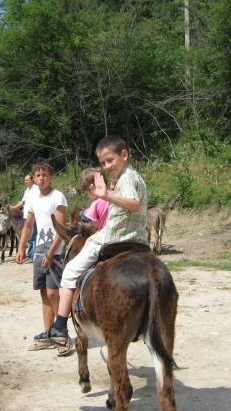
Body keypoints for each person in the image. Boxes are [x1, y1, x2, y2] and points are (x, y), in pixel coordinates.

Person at [46, 136, 148, 344]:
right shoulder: (130, 177)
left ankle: (60, 325)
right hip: (139, 240)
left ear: (124, 155)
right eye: (103, 163)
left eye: (110, 160)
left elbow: (134, 204)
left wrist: (106, 196)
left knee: (70, 271)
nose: (107, 166)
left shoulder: (127, 178)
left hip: (112, 239)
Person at [15, 163, 67, 350]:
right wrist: (21, 248)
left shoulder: (58, 197)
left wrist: (52, 252)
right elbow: (28, 226)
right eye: (38, 175)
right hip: (38, 250)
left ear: (50, 176)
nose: (41, 178)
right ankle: (47, 334)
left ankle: (62, 333)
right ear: (34, 178)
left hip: (55, 250)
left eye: (44, 174)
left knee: (54, 292)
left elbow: (61, 228)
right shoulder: (33, 199)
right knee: (44, 293)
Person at [11, 174, 39, 262]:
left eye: (27, 180)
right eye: (25, 180)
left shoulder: (36, 189)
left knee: (32, 236)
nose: (25, 182)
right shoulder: (27, 190)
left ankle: (32, 256)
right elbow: (22, 202)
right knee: (28, 236)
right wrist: (14, 207)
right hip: (26, 216)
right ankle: (30, 255)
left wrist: (12, 207)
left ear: (32, 180)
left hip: (33, 216)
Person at [80, 167, 110, 231]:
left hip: (105, 234)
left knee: (88, 240)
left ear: (92, 188)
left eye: (87, 194)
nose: (88, 196)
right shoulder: (113, 194)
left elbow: (95, 224)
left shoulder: (95, 203)